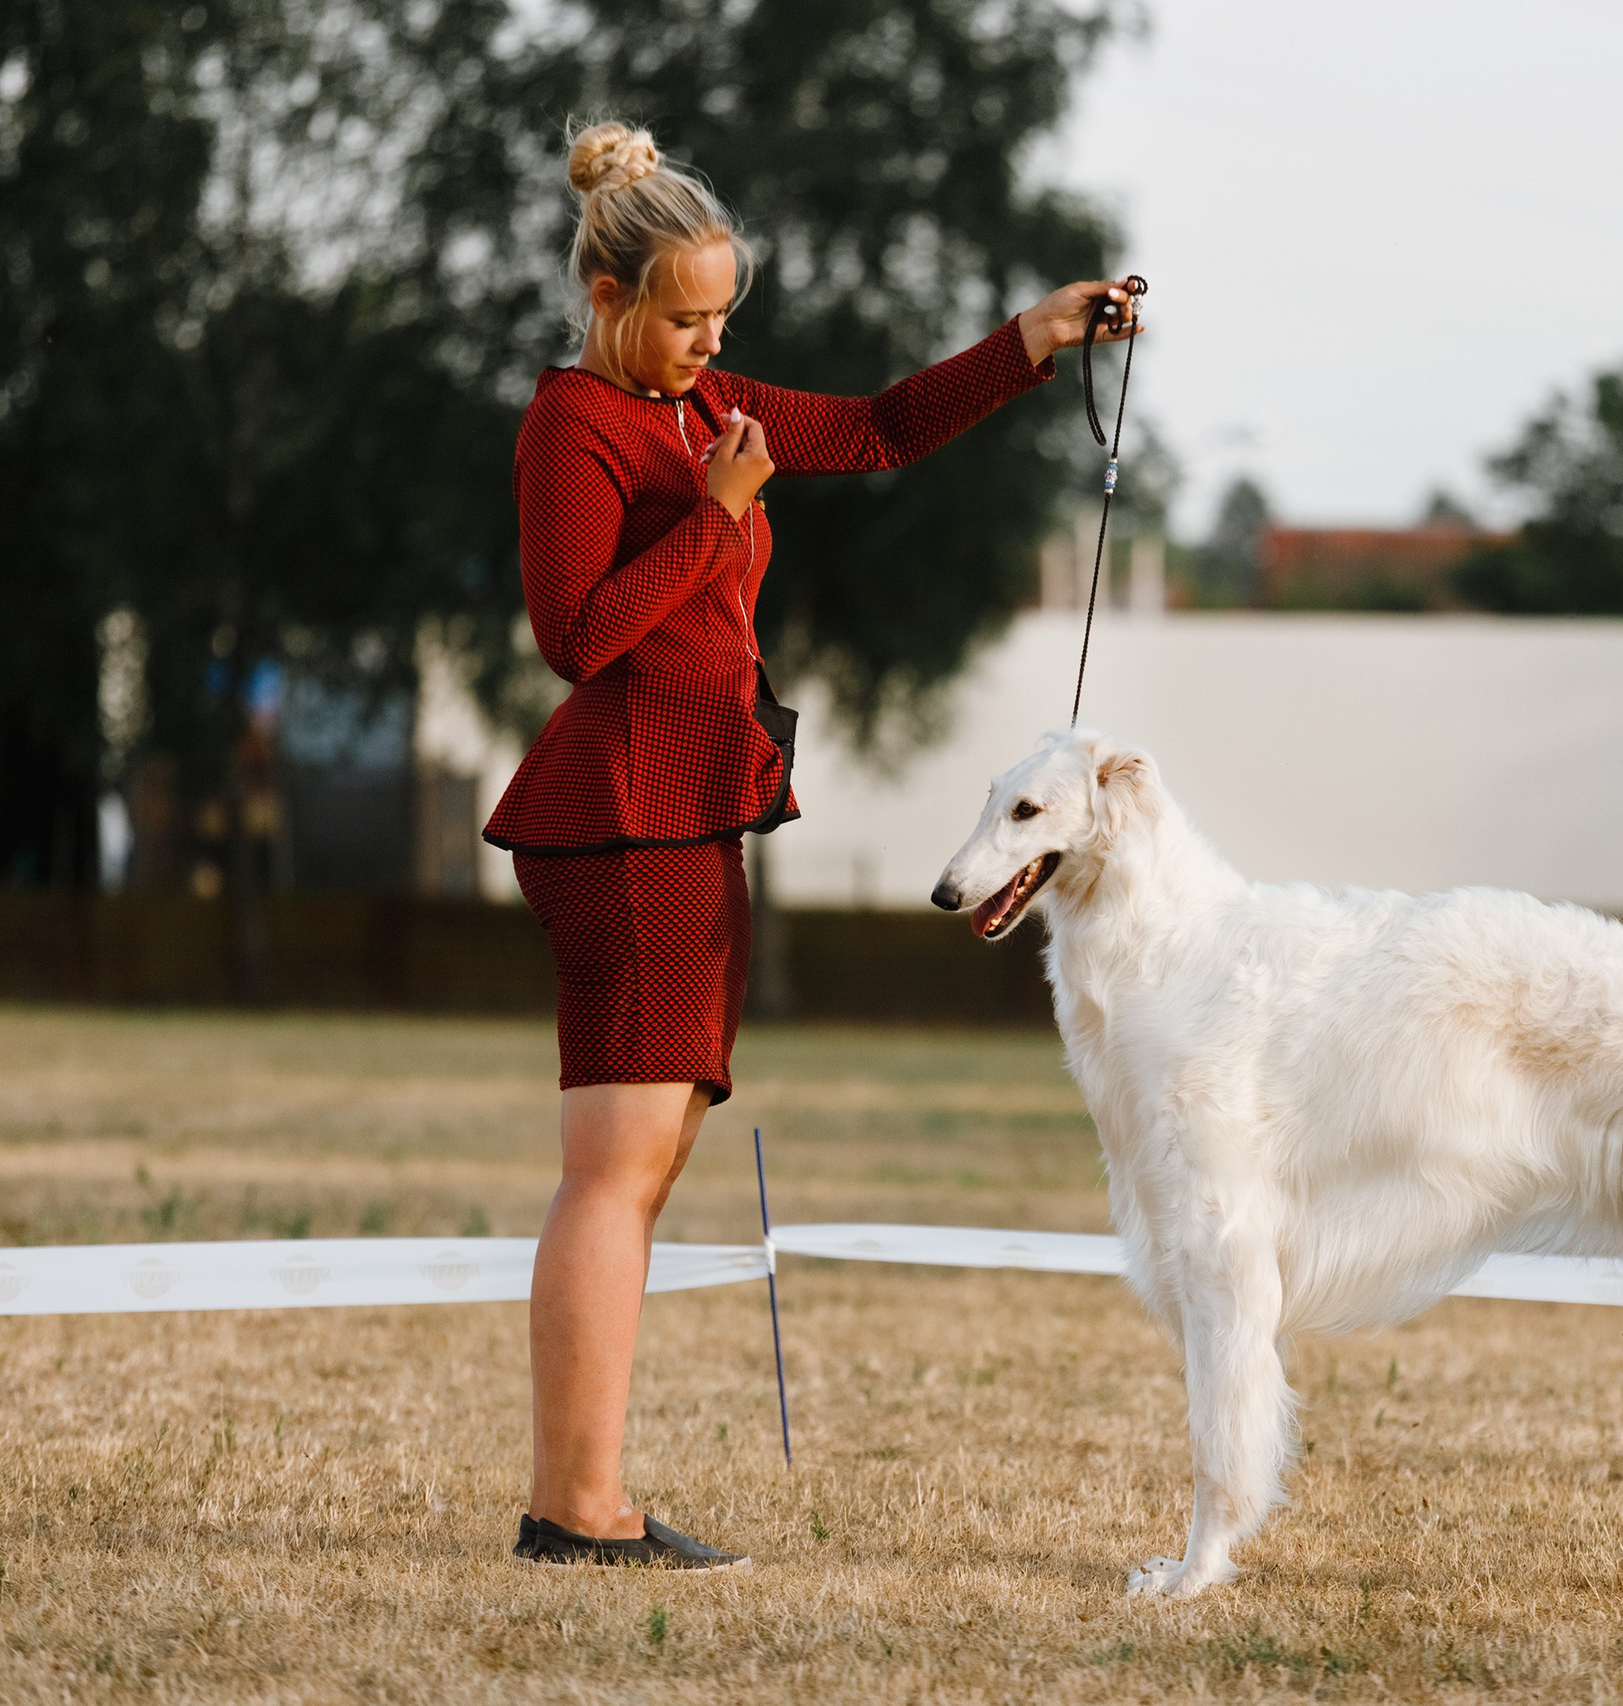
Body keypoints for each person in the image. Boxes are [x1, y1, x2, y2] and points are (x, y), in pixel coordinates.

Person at [481, 118, 1141, 1569]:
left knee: (643, 1168)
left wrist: (1030, 339)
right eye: (682, 317)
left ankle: (582, 1497)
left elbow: (883, 429)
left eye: (723, 315)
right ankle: (575, 1509)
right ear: (606, 299)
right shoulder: (575, 426)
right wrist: (718, 523)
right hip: (622, 814)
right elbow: (577, 634)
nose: (707, 341)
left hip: (687, 808)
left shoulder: (689, 403)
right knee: (612, 1170)